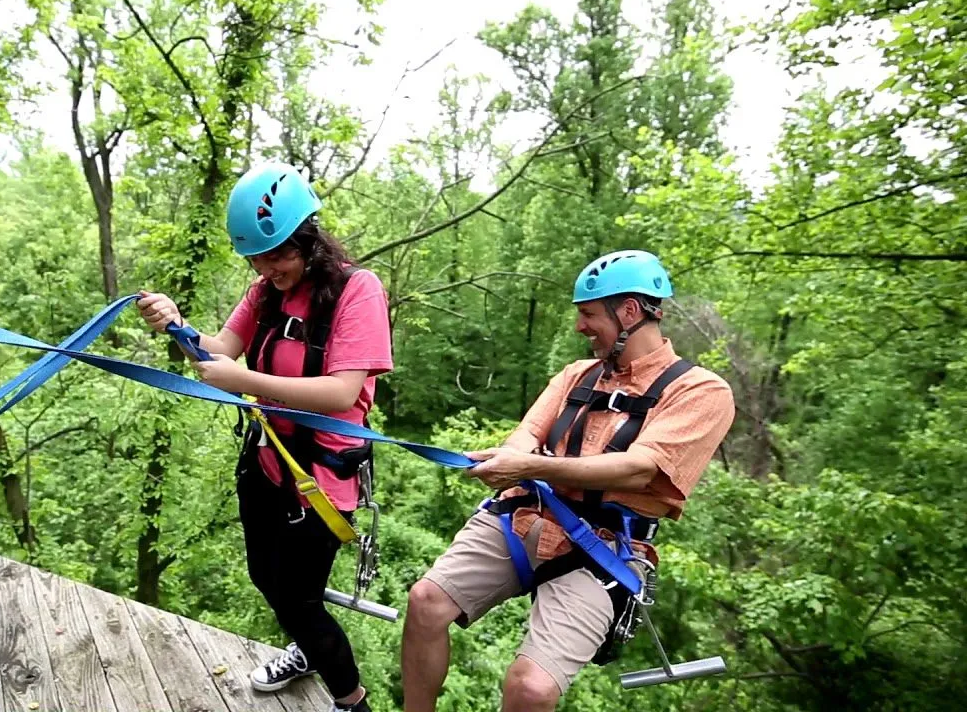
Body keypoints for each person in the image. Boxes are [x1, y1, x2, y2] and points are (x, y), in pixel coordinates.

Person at [400, 250, 736, 712]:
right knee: (425, 603)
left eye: (588, 315)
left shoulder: (699, 392)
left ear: (630, 313)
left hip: (604, 547)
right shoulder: (576, 376)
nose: (580, 327)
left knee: (531, 689)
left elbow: (640, 469)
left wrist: (531, 467)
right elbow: (525, 436)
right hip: (523, 516)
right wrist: (508, 461)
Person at [137, 161, 391, 712]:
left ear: (308, 239)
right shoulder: (266, 292)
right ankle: (306, 651)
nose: (265, 267)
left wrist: (243, 381)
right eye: (256, 257)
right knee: (265, 577)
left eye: (276, 255)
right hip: (269, 458)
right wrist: (177, 324)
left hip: (321, 476)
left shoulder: (357, 290)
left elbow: (343, 392)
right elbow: (219, 352)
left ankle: (352, 703)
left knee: (300, 600)